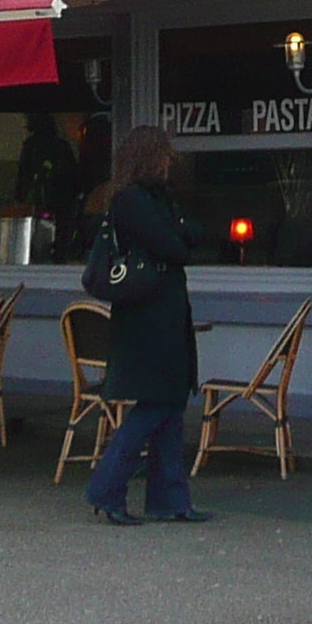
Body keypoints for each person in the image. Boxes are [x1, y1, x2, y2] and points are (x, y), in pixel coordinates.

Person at [82, 125, 212, 526]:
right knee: (153, 407)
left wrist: (180, 236)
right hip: (146, 320)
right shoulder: (129, 201)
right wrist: (179, 237)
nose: (169, 161)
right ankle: (106, 490)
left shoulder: (159, 199)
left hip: (168, 315)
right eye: (163, 154)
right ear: (148, 157)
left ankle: (169, 499)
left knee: (171, 407)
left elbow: (195, 235)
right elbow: (174, 245)